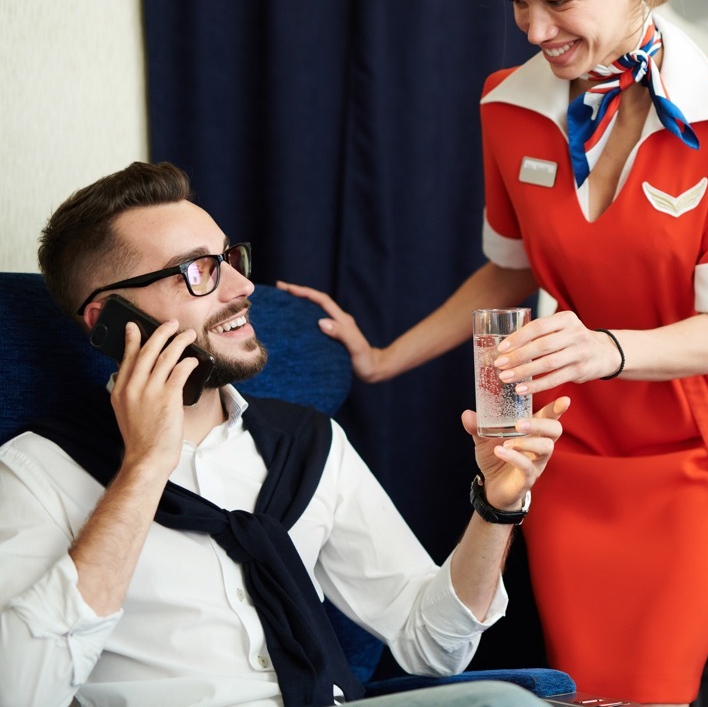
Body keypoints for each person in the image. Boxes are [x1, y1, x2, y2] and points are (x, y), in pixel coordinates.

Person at [276, 0, 708, 703]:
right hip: (560, 441)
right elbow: (507, 272)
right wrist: (384, 357)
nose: (533, 28)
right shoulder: (506, 106)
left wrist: (606, 349)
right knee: (582, 688)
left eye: (557, 1)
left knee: (653, 690)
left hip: (691, 448)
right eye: (517, 2)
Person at [0, 161, 568, 707]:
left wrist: (496, 508)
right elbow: (20, 691)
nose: (242, 286)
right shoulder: (38, 471)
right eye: (197, 271)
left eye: (229, 258)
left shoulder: (310, 446)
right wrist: (144, 469)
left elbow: (433, 646)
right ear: (108, 319)